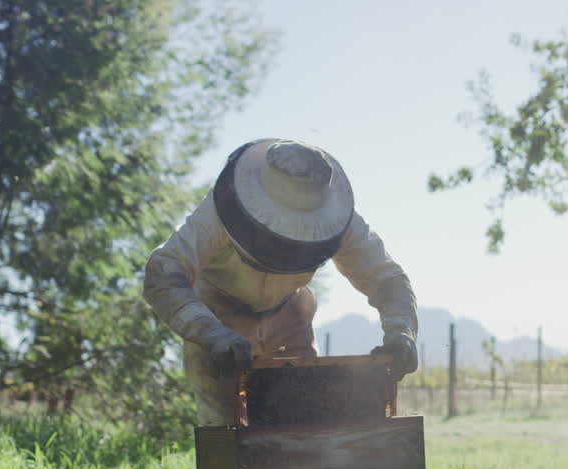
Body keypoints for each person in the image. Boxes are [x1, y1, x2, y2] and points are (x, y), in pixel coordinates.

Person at [143, 138, 419, 425]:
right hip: (217, 313)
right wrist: (211, 333)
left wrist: (402, 334)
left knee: (306, 417)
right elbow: (162, 273)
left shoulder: (341, 219)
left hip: (290, 315)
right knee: (225, 434)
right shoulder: (220, 208)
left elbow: (387, 279)